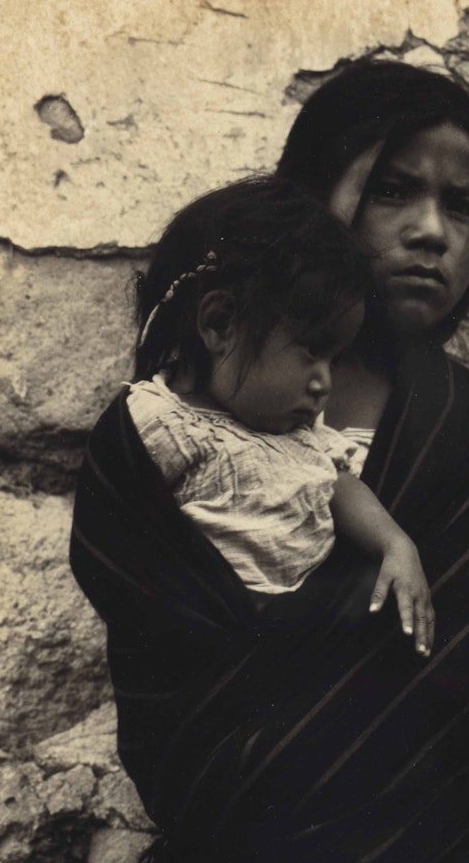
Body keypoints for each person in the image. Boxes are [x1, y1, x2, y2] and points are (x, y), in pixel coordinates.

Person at [70, 61, 469, 863]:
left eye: (462, 208)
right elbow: (174, 683)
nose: (430, 232)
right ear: (311, 202)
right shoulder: (174, 431)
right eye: (392, 191)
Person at [126, 176, 434, 652]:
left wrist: (396, 544)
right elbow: (127, 535)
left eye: (334, 359)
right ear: (219, 324)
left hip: (307, 643)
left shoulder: (298, 433)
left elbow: (336, 484)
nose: (324, 382)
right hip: (214, 650)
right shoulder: (160, 422)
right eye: (312, 351)